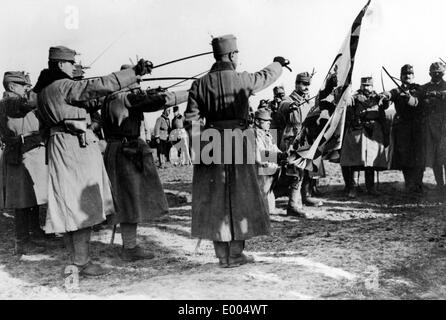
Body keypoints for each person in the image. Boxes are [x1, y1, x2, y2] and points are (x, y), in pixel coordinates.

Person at [34, 45, 152, 276]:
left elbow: (82, 103)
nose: (73, 66)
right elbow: (94, 86)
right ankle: (82, 263)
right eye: (70, 63)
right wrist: (134, 72)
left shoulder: (45, 91)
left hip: (59, 148)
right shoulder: (63, 85)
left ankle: (77, 259)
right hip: (75, 149)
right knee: (82, 204)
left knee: (68, 207)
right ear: (60, 64)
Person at [185, 34, 287, 267]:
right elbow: (266, 76)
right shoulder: (242, 79)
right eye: (237, 54)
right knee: (241, 197)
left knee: (214, 200)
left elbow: (191, 120)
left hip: (210, 144)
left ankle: (222, 256)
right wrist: (278, 63)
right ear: (231, 55)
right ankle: (236, 254)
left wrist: (201, 148)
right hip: (239, 142)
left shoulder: (199, 84)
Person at [102, 64, 188, 261]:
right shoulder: (126, 97)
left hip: (117, 150)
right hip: (127, 152)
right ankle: (130, 248)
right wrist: (189, 93)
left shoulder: (110, 97)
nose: (139, 85)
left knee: (125, 199)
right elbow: (156, 102)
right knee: (129, 200)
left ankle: (129, 244)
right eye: (136, 81)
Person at [0, 71, 48, 254]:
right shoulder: (8, 102)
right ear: (12, 87)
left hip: (29, 151)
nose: (26, 89)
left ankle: (35, 232)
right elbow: (26, 104)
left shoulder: (18, 101)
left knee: (32, 195)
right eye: (23, 86)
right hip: (18, 153)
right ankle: (22, 241)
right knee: (21, 200)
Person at [275, 72, 324, 217]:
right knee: (292, 174)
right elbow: (282, 107)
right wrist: (291, 106)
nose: (305, 87)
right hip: (290, 142)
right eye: (303, 84)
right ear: (296, 84)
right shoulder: (288, 100)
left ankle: (295, 203)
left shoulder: (309, 101)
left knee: (300, 174)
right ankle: (291, 204)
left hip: (304, 142)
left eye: (308, 84)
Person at [340, 76, 389, 197]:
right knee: (356, 161)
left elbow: (384, 111)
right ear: (361, 86)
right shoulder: (354, 97)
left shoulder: (378, 98)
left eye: (369, 85)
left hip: (374, 133)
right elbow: (348, 111)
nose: (366, 87)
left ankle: (370, 188)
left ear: (372, 86)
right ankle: (353, 187)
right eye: (364, 85)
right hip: (359, 131)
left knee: (370, 162)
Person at [381, 64, 423, 193]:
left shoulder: (418, 88)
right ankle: (409, 183)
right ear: (401, 77)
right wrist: (385, 96)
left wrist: (409, 97)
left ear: (413, 76)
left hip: (417, 128)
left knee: (418, 155)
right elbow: (390, 94)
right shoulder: (397, 91)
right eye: (405, 74)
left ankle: (418, 183)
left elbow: (416, 102)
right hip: (403, 128)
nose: (408, 76)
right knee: (405, 156)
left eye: (410, 74)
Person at [418, 62, 446, 191]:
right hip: (429, 126)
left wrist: (437, 94)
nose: (437, 75)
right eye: (434, 72)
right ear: (429, 73)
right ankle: (439, 185)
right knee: (435, 157)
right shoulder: (423, 88)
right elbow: (416, 100)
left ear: (443, 73)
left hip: (444, 126)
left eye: (439, 72)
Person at [253, 108, 286, 214]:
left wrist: (283, 155)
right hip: (259, 170)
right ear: (257, 121)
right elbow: (260, 155)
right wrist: (277, 157)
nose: (269, 123)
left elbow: (274, 148)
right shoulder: (254, 135)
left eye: (269, 121)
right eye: (266, 121)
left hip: (269, 170)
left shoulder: (267, 134)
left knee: (270, 207)